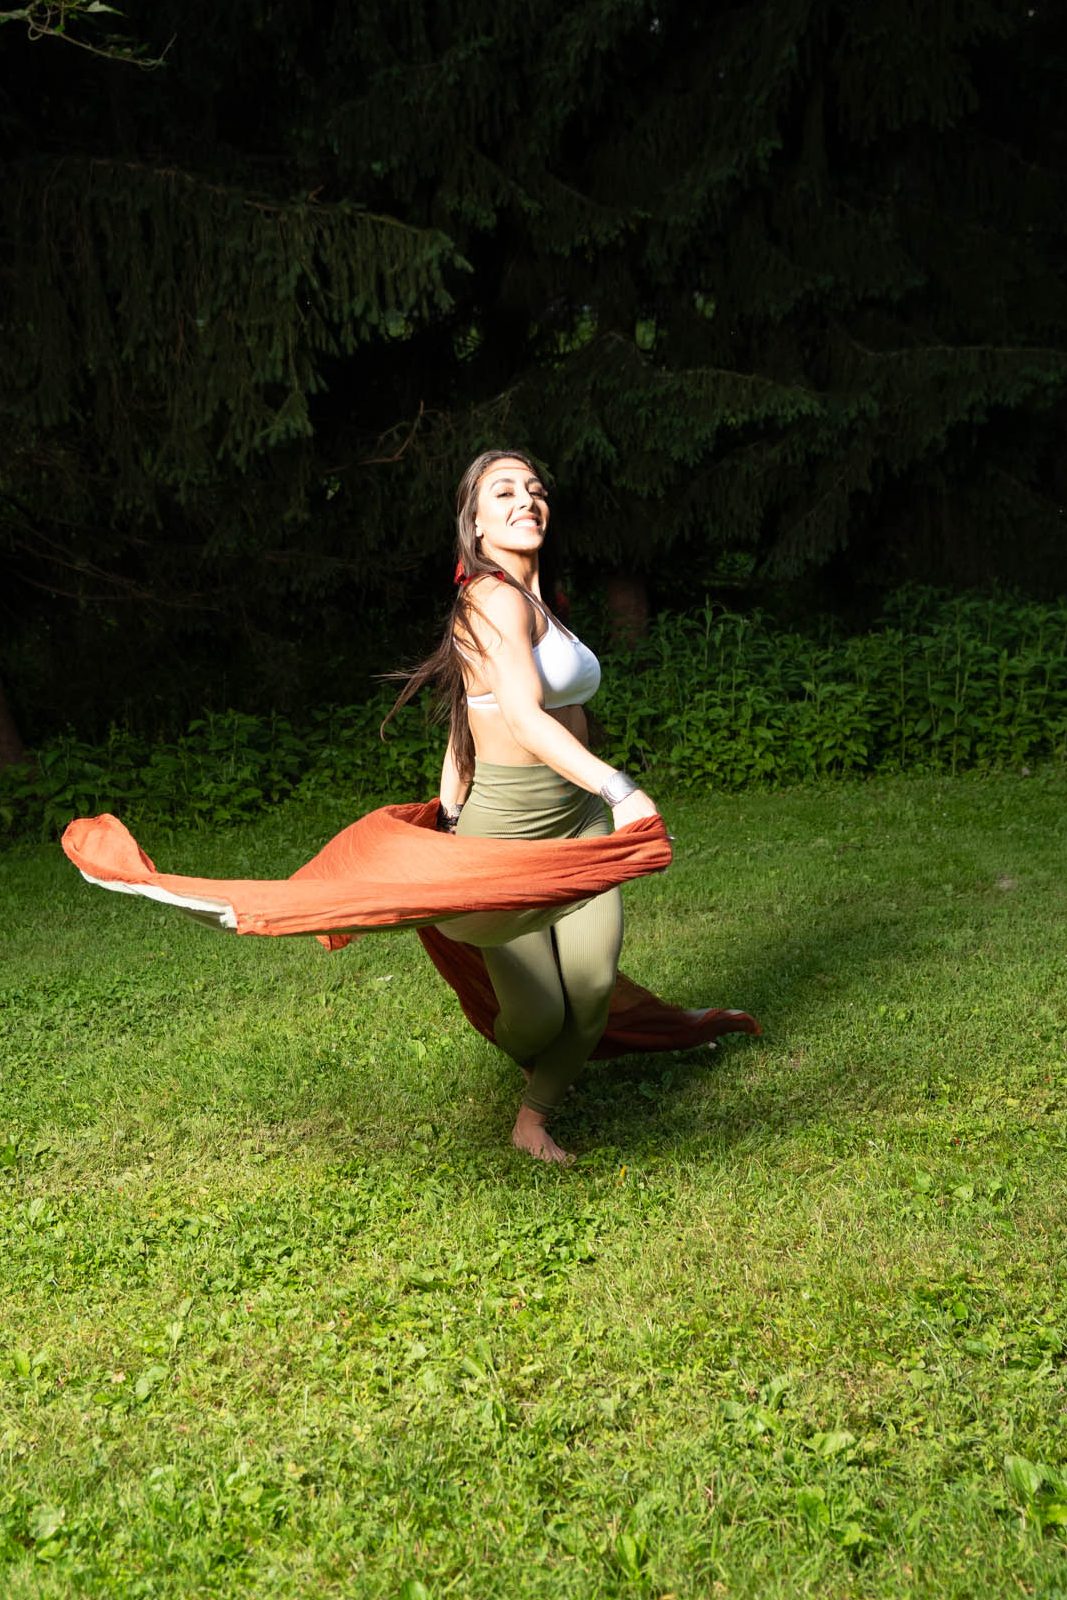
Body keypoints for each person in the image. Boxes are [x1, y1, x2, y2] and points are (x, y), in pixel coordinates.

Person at [389, 448, 666, 1164]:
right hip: (507, 832)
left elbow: (465, 717)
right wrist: (621, 786)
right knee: (536, 1015)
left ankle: (533, 1115)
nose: (526, 499)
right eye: (503, 490)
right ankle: (510, 1037)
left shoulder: (542, 600)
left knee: (592, 983)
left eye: (536, 489)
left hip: (577, 822)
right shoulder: (489, 598)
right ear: (474, 524)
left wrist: (450, 800)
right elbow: (518, 715)